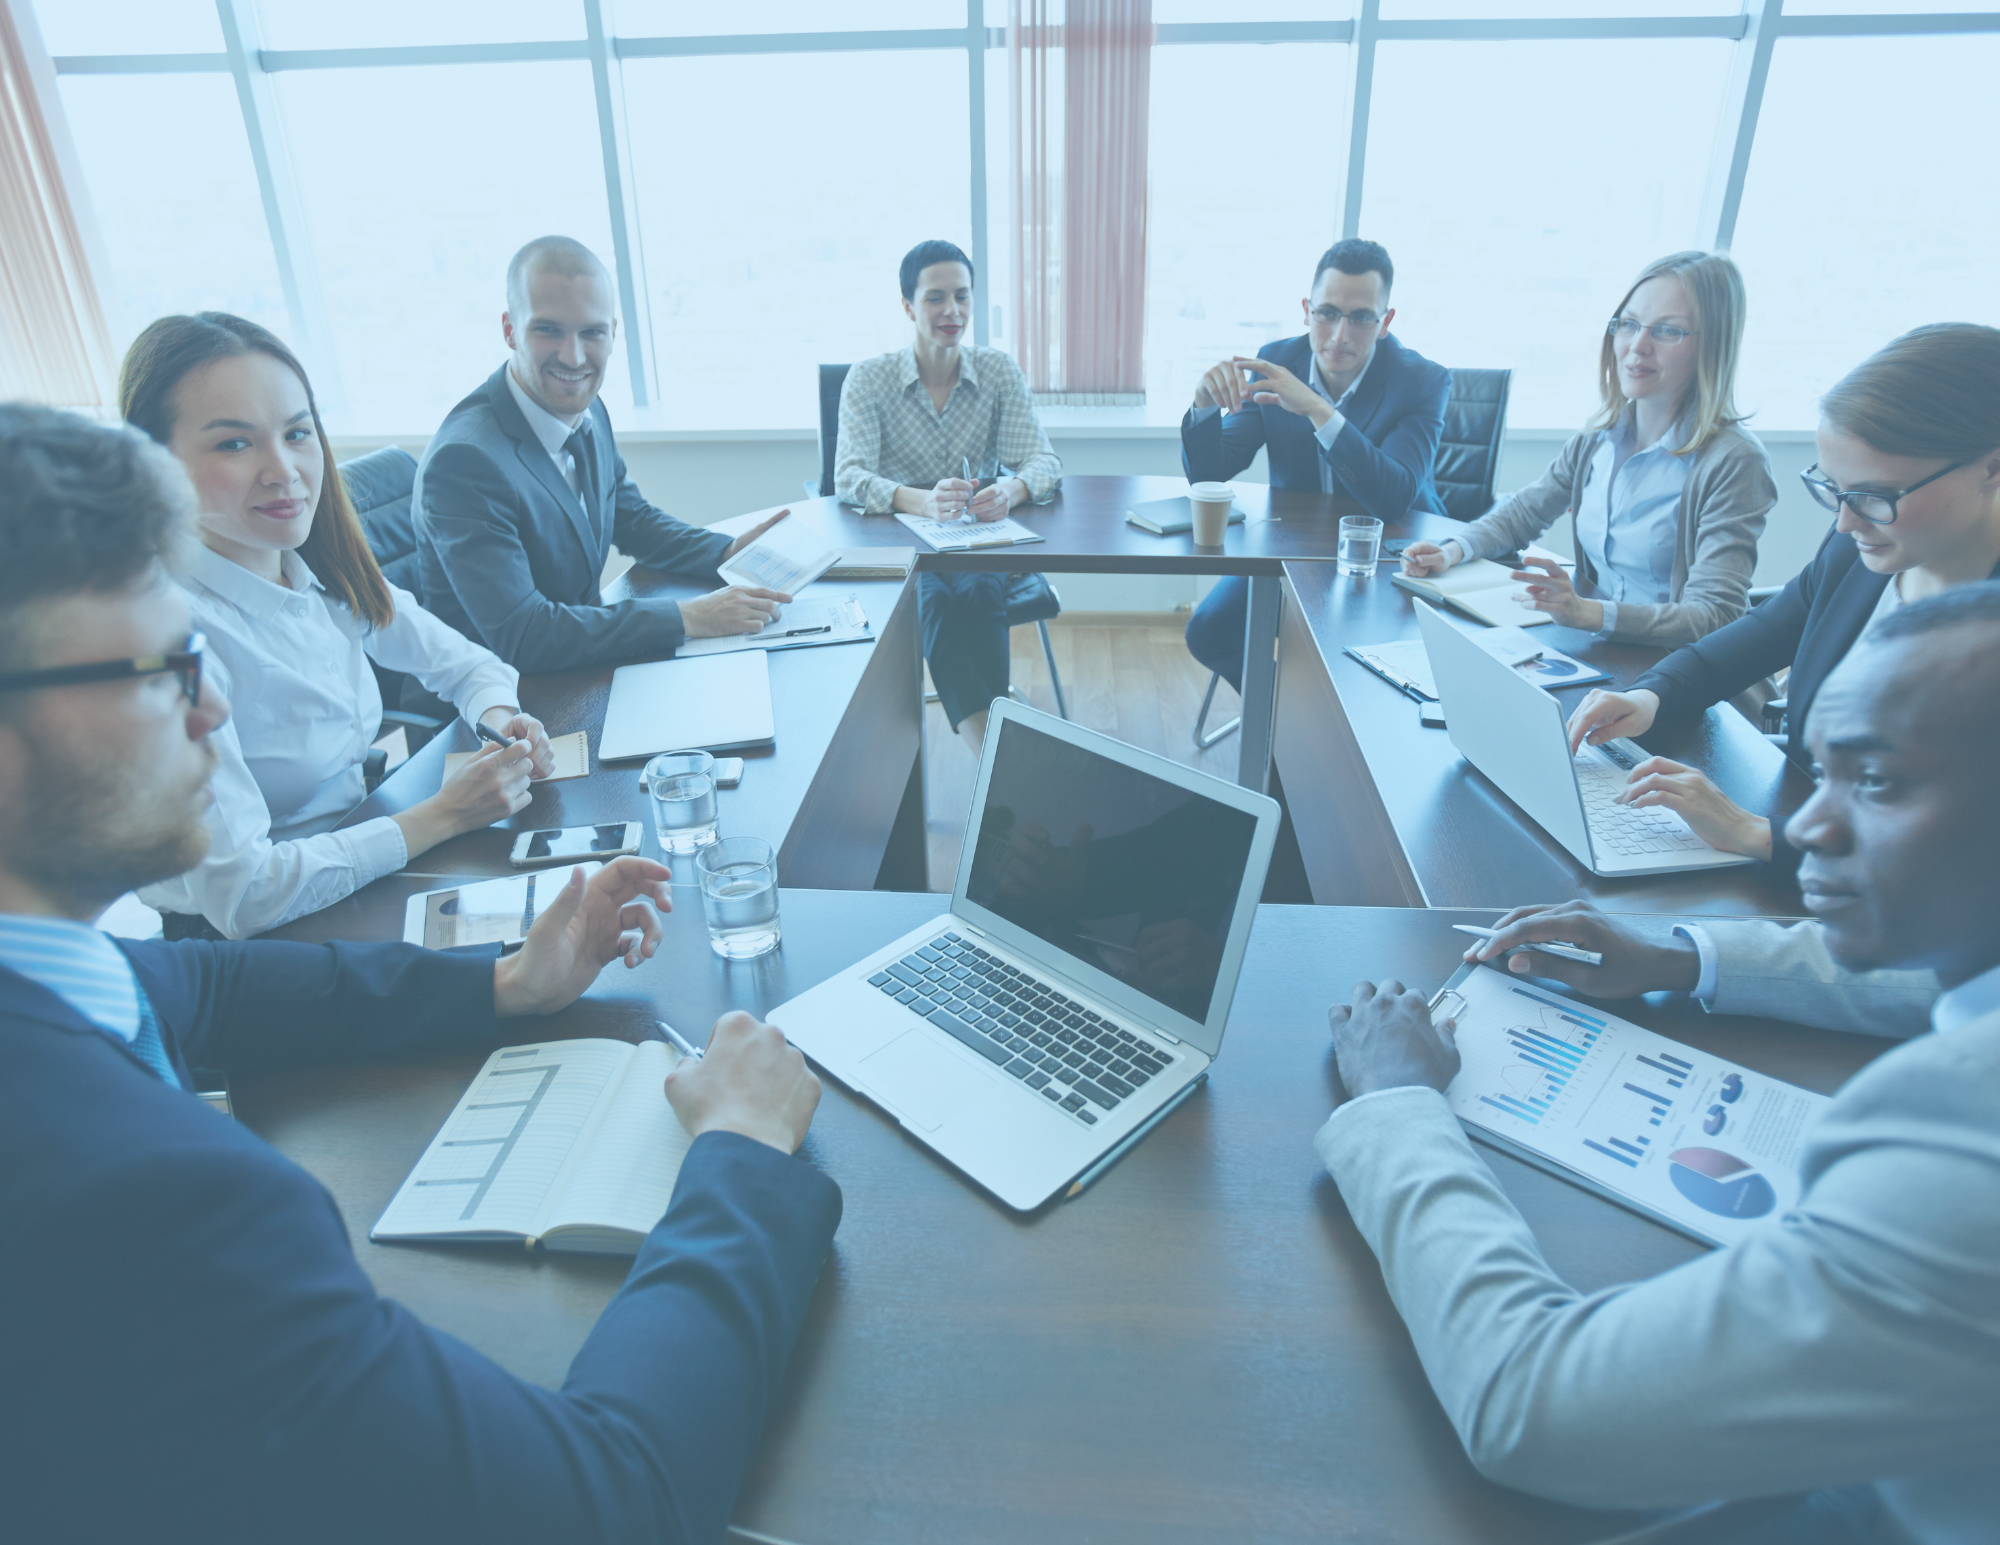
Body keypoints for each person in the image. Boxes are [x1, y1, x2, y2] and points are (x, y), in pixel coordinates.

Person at [0, 403, 841, 1545]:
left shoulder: (53, 971)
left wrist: (504, 987)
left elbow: (190, 989)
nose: (215, 705)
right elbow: (607, 1506)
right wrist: (741, 1153)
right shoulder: (161, 1209)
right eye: (167, 666)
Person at [1320, 582, 2000, 1544]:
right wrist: (1687, 953)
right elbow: (1941, 978)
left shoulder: (1961, 1139)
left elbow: (1537, 1408)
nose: (1805, 828)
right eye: (1823, 775)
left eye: (1879, 783)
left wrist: (1396, 1104)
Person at [117, 313, 550, 940]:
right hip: (254, 943)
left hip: (362, 863)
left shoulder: (317, 568)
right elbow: (245, 896)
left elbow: (469, 666)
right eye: (234, 443)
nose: (283, 470)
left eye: (297, 433)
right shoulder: (167, 644)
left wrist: (501, 719)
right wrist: (444, 815)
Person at [1567, 322, 2000, 862]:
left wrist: (1759, 835)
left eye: (1874, 495)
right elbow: (1760, 634)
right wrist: (1649, 696)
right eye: (1834, 489)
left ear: (1992, 467)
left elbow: (1960, 853)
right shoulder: (1865, 549)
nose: (1844, 522)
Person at [412, 236, 792, 672]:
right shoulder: (465, 462)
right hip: (501, 707)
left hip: (579, 665)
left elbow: (632, 520)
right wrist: (690, 616)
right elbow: (525, 634)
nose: (574, 357)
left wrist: (726, 552)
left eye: (591, 332)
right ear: (509, 330)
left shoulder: (586, 406)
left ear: (613, 332)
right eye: (548, 329)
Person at [1402, 250, 1774, 650]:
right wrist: (1452, 551)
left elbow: (1714, 616)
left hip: (1674, 674)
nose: (1637, 345)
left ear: (1712, 346)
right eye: (1629, 324)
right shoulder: (1598, 437)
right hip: (1604, 651)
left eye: (1667, 331)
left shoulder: (1735, 461)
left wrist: (1587, 613)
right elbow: (1523, 513)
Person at [1183, 239, 1450, 693]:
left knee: (1361, 668)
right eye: (1327, 313)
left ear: (1385, 322)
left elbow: (1393, 496)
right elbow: (1211, 474)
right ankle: (1281, 733)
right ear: (1307, 310)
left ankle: (1315, 733)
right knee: (1209, 632)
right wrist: (1204, 406)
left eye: (1361, 317)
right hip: (1298, 548)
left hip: (1395, 553)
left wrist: (1319, 411)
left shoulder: (1421, 379)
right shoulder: (1279, 360)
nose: (1340, 335)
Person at [834, 239, 1062, 755]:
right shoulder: (869, 380)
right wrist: (919, 500)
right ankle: (997, 756)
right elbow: (847, 477)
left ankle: (995, 761)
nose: (952, 311)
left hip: (975, 542)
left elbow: (1045, 462)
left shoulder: (997, 371)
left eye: (962, 296)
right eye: (935, 298)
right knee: (934, 599)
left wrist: (1010, 487)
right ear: (908, 306)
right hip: (900, 546)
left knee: (980, 589)